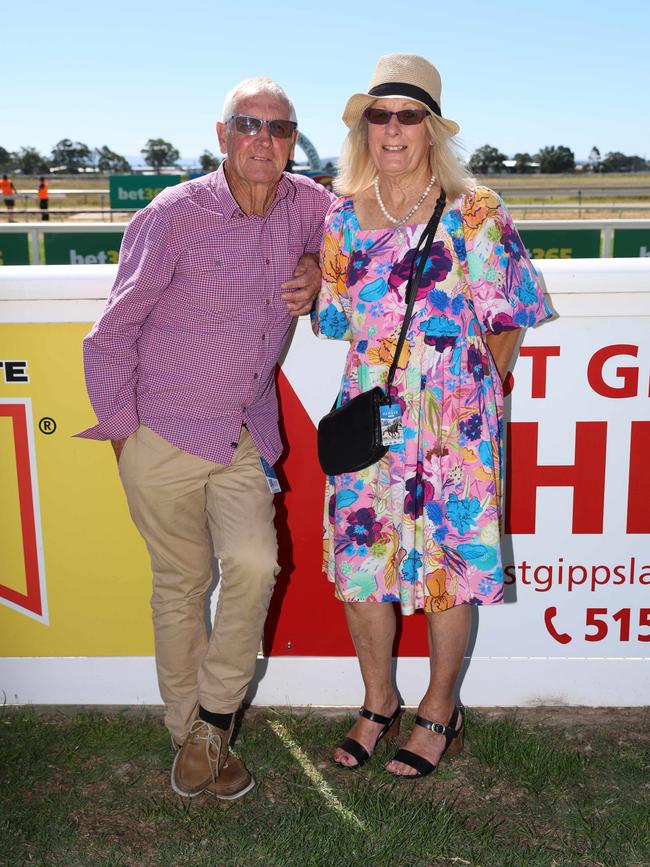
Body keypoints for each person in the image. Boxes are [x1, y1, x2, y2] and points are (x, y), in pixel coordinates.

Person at [78, 76, 333, 800]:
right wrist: (125, 435)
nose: (263, 139)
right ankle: (188, 734)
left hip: (242, 431)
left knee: (255, 563)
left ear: (293, 141)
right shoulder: (175, 213)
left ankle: (213, 720)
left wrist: (319, 272)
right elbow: (112, 332)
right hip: (159, 429)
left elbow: (364, 249)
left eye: (279, 128)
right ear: (222, 136)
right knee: (180, 587)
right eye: (248, 125)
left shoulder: (312, 206)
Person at [313, 54, 552, 778]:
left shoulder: (474, 208)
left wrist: (473, 399)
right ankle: (378, 699)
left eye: (407, 115)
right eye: (378, 116)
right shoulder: (341, 219)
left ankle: (439, 707)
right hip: (373, 415)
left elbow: (511, 317)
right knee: (362, 567)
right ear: (363, 129)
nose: (392, 129)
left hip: (456, 424)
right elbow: (332, 319)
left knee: (450, 566)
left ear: (430, 130)